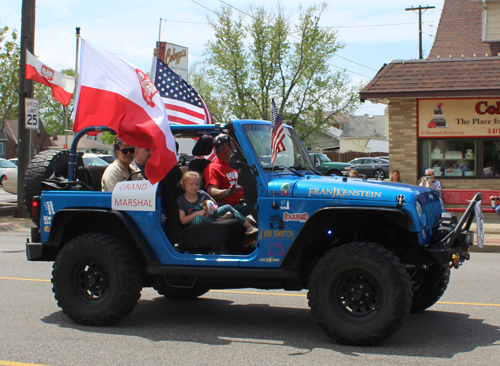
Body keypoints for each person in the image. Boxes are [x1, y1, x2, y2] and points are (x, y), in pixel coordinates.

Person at [177, 171, 258, 235]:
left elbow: (214, 204)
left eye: (197, 184)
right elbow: (183, 220)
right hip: (196, 223)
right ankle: (219, 219)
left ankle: (249, 227)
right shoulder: (181, 200)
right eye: (191, 184)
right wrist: (197, 213)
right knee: (198, 218)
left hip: (209, 215)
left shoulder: (202, 194)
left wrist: (209, 210)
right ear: (183, 185)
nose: (194, 187)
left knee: (228, 207)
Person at [204, 134, 249, 216]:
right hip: (231, 207)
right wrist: (227, 192)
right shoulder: (213, 168)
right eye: (234, 144)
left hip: (246, 203)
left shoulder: (237, 164)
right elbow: (211, 191)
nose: (237, 148)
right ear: (226, 146)